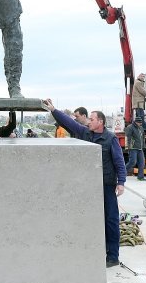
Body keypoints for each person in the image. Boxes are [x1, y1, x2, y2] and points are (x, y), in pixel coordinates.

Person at [42, 98, 126, 268]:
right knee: (89, 218)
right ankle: (92, 250)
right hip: (88, 185)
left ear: (100, 122)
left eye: (92, 119)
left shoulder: (110, 138)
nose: (89, 121)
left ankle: (113, 256)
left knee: (110, 220)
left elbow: (119, 161)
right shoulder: (85, 133)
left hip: (106, 184)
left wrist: (121, 182)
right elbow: (69, 123)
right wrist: (53, 110)